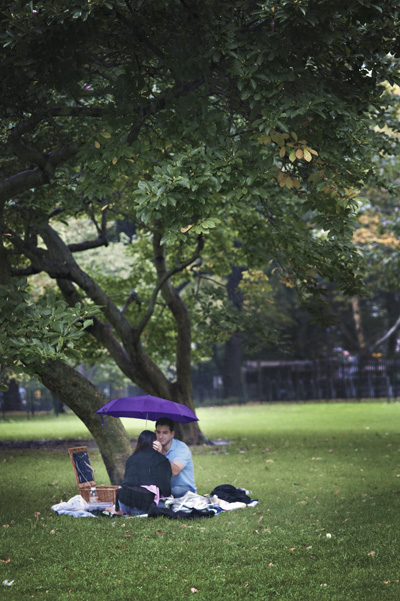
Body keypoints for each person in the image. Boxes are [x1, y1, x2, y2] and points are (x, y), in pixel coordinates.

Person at [115, 430, 172, 515]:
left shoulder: (131, 459)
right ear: (155, 443)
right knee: (165, 502)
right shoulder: (161, 460)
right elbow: (165, 490)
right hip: (146, 507)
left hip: (125, 504)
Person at [153, 417, 196, 497]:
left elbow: (174, 471)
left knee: (175, 491)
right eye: (158, 432)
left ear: (172, 434)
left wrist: (160, 454)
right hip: (165, 489)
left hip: (185, 489)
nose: (161, 436)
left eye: (165, 433)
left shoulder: (182, 448)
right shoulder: (153, 447)